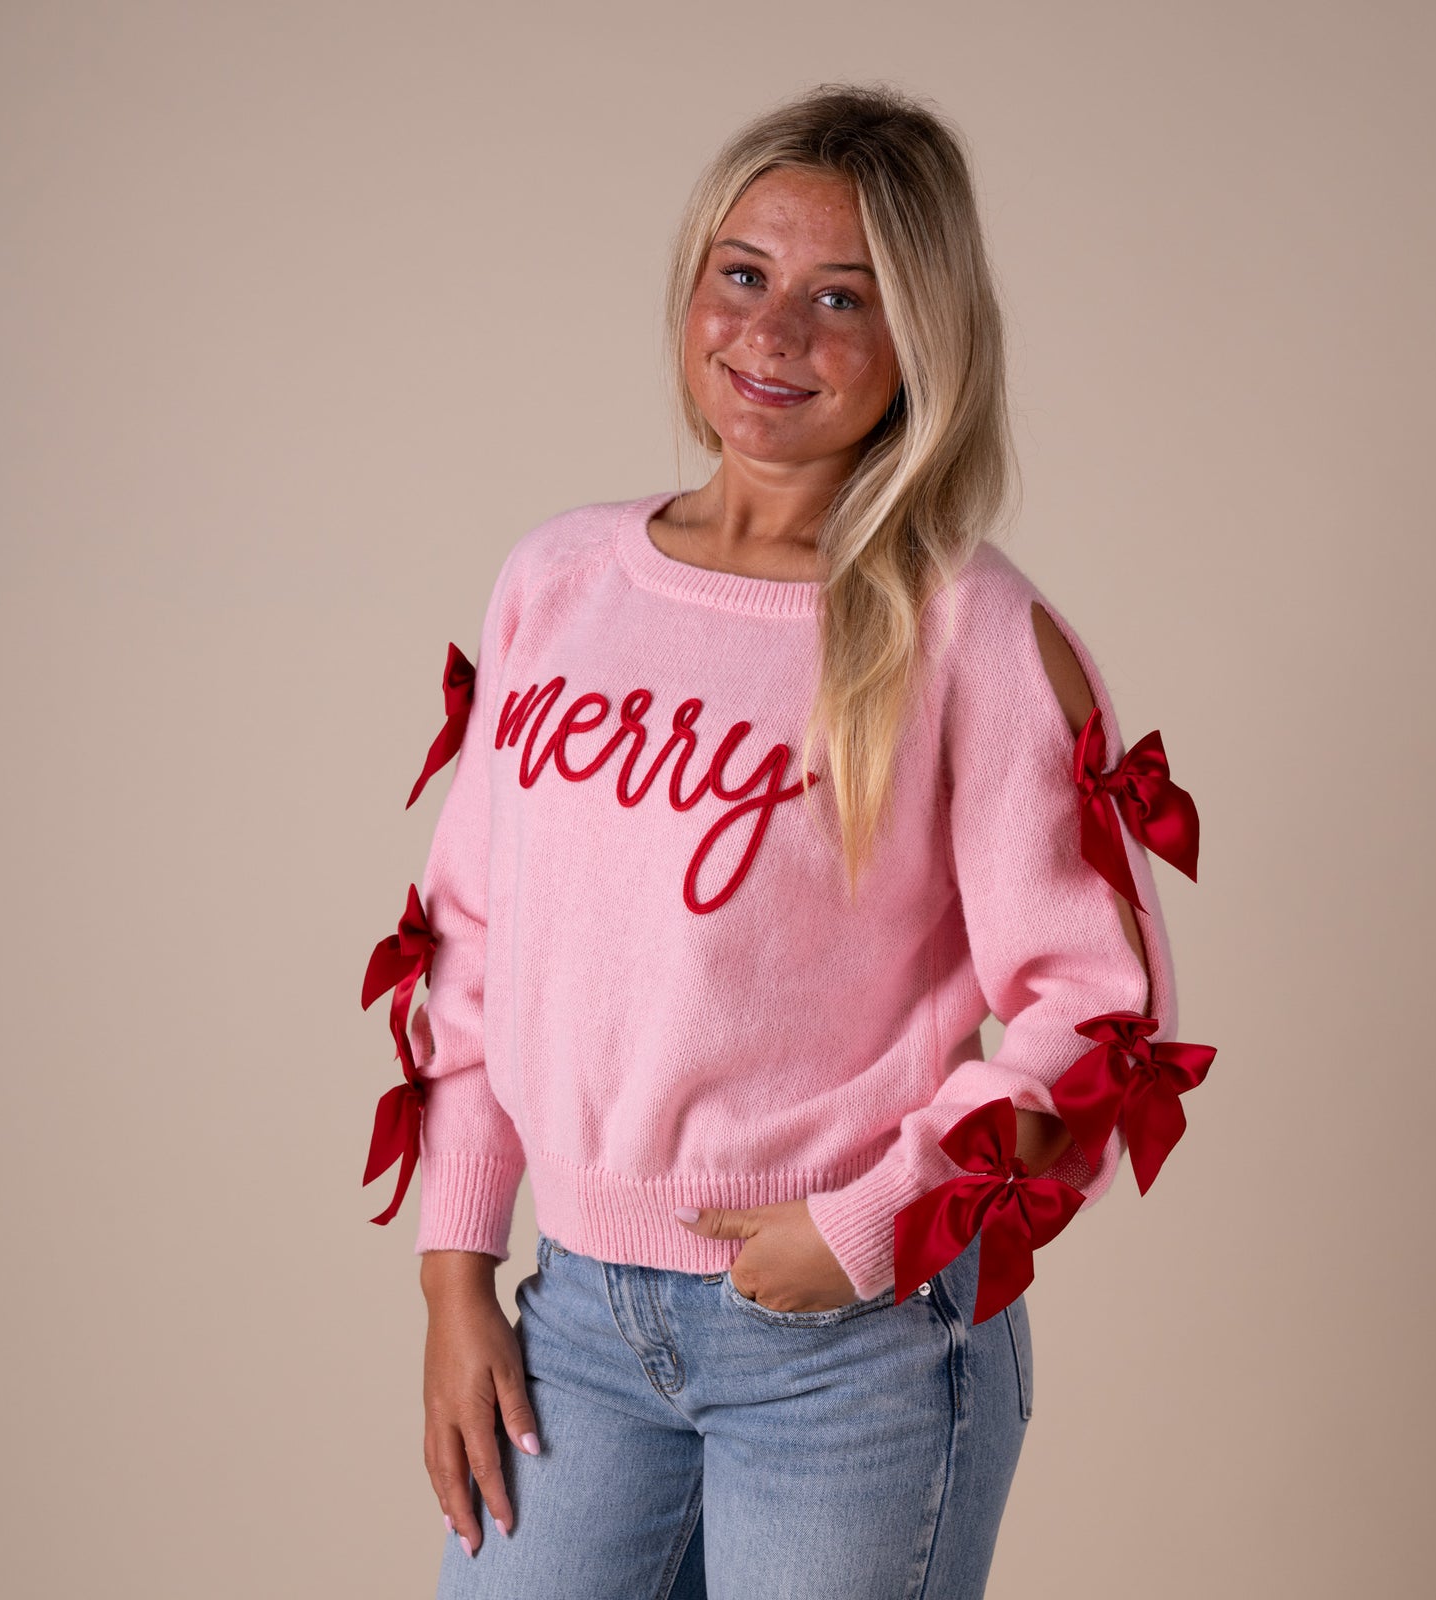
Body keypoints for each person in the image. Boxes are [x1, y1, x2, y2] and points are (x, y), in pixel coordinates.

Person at [380, 81, 1189, 1600]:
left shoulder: (971, 632)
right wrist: (455, 1267)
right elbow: (472, 941)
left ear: (919, 346)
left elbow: (1104, 1014)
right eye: (743, 275)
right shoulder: (556, 582)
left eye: (844, 299)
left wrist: (871, 1225)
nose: (774, 334)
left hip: (852, 1357)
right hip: (578, 1326)